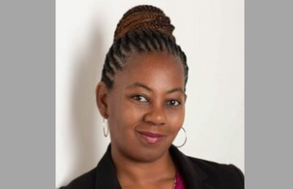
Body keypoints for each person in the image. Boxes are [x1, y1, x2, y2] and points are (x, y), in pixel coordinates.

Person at [60, 5, 244, 189]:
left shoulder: (230, 182)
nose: (157, 116)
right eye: (140, 98)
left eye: (172, 102)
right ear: (104, 100)